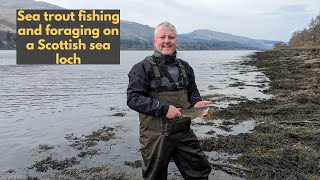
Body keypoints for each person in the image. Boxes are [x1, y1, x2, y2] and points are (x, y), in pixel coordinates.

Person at [127, 21, 212, 180]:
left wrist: (196, 104)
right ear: (154, 41)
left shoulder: (185, 67)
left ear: (176, 41)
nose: (167, 40)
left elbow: (192, 92)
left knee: (200, 172)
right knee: (155, 176)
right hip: (155, 136)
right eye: (162, 37)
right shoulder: (141, 68)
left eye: (171, 37)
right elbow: (133, 99)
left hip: (183, 132)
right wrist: (164, 109)